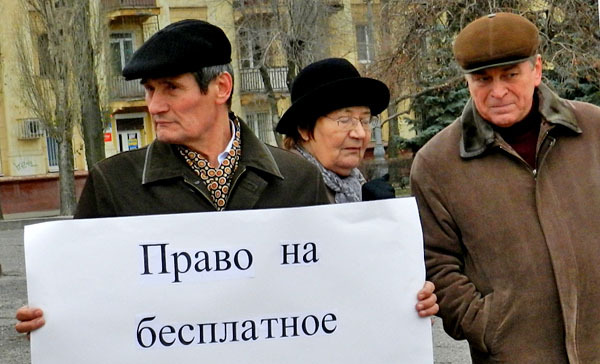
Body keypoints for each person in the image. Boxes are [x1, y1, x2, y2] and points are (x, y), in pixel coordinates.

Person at [16, 20, 437, 334]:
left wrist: (395, 300)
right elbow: (85, 297)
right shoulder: (115, 183)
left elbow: (332, 289)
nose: (155, 106)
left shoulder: (295, 179)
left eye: (170, 88)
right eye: (150, 90)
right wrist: (51, 318)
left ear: (220, 87)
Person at [410, 12, 600, 364]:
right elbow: (436, 261)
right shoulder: (437, 163)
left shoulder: (593, 131)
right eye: (482, 79)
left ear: (537, 69)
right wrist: (487, 327)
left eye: (510, 75)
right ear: (468, 82)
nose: (497, 92)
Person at [276, 57, 396, 203]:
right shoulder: (285, 193)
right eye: (345, 120)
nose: (360, 133)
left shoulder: (354, 185)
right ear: (304, 128)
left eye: (365, 121)